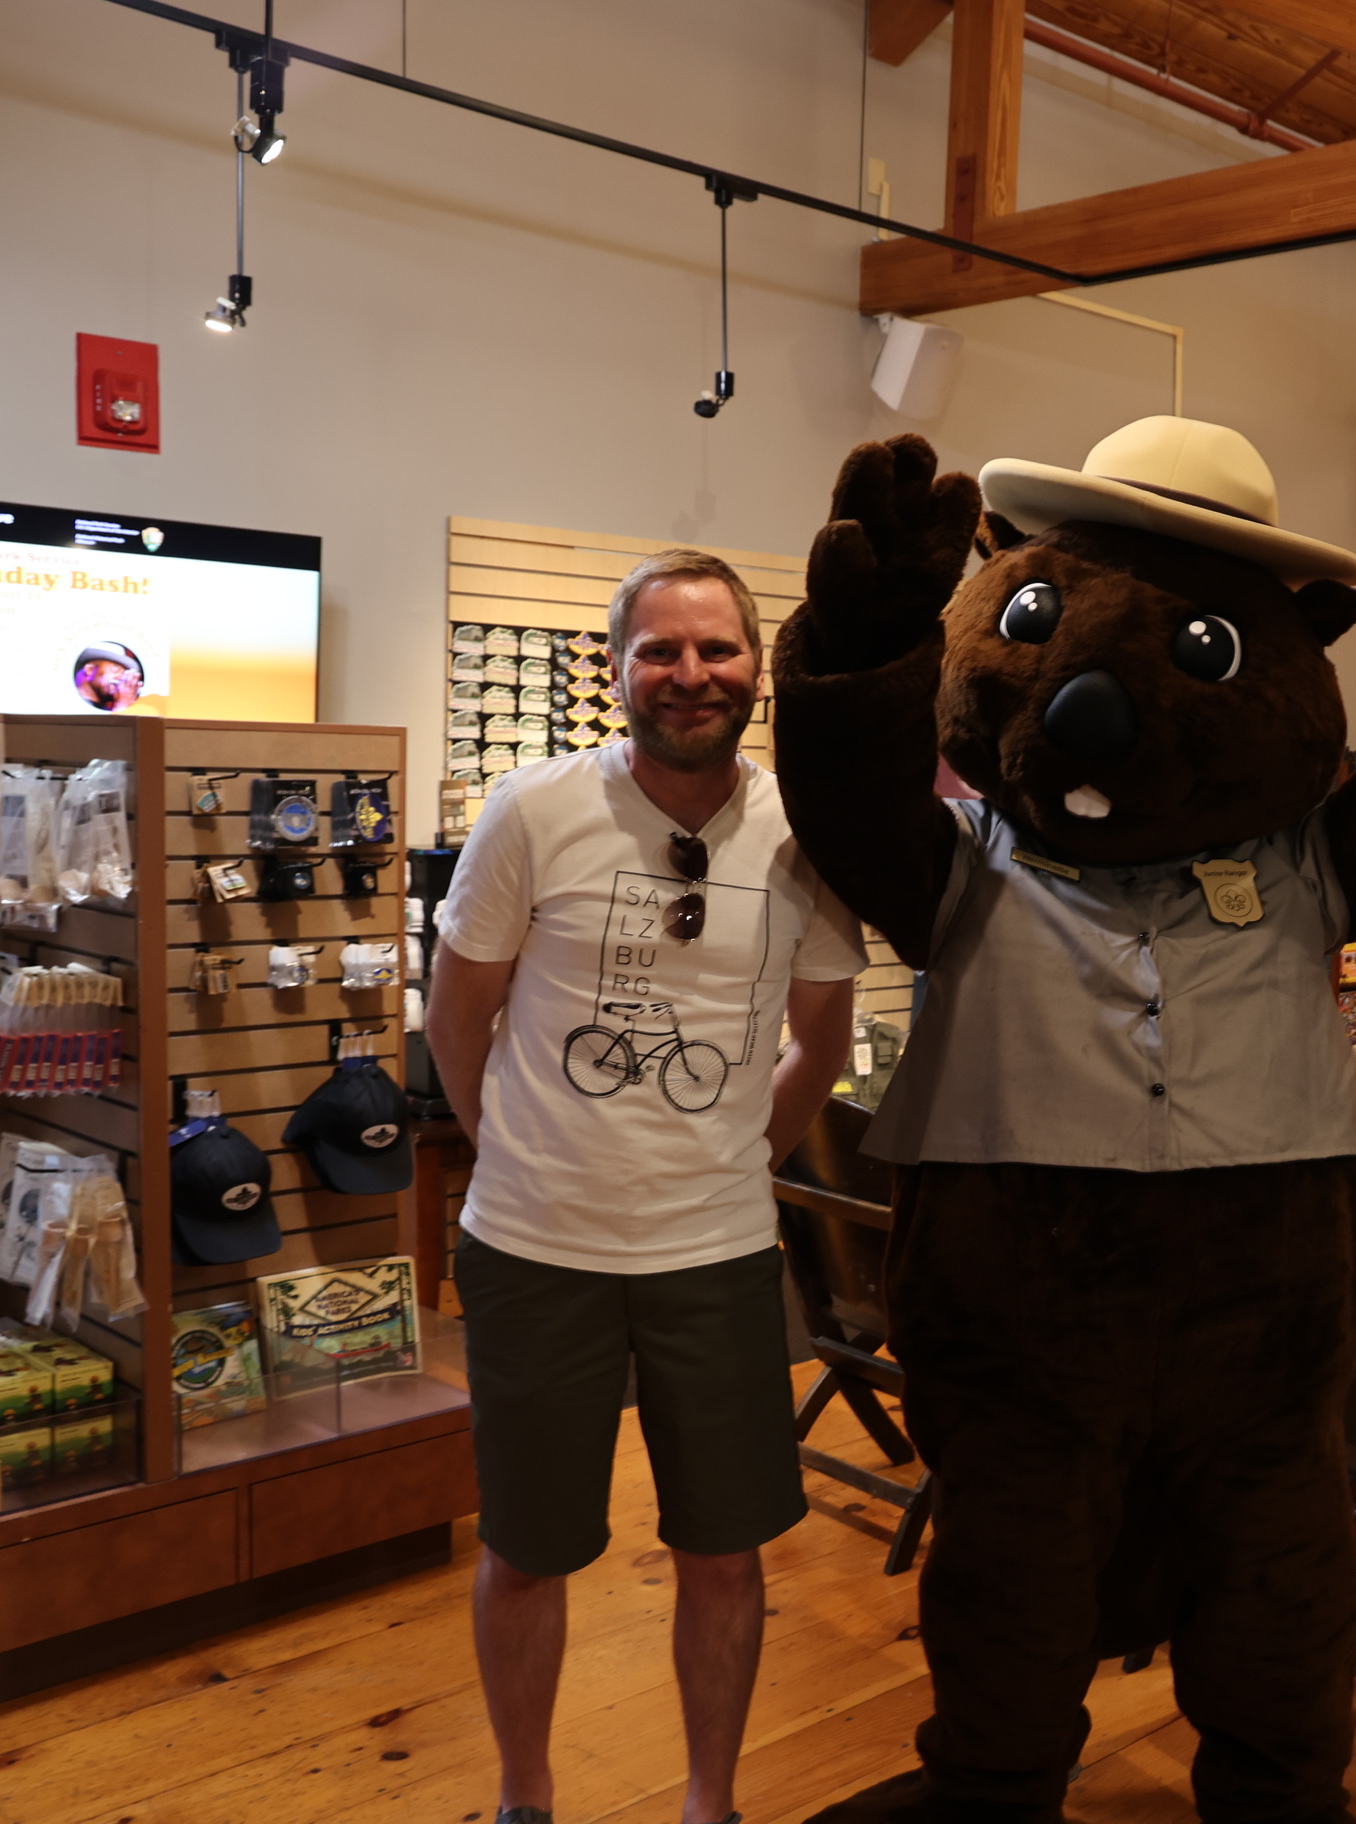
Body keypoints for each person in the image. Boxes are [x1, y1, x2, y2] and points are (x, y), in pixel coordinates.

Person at [426, 548, 866, 1824]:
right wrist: (515, 1149)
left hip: (716, 1256)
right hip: (531, 1246)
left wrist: (740, 1161)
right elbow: (458, 1024)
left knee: (724, 1551)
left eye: (716, 650)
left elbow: (821, 1045)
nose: (690, 676)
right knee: (526, 1548)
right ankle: (524, 1798)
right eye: (660, 652)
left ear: (757, 668)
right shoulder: (534, 810)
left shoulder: (803, 832)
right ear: (615, 670)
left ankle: (710, 1805)